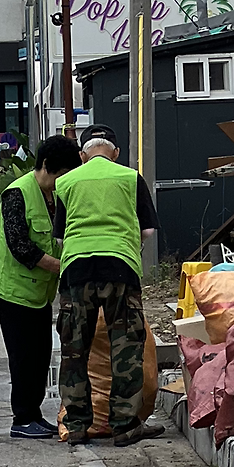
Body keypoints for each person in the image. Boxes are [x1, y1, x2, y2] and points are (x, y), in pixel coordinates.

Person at [53, 125, 161, 448]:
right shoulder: (130, 178)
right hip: (120, 269)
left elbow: (59, 238)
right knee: (125, 348)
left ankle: (76, 426)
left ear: (82, 155)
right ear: (115, 153)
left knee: (75, 350)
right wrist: (128, 245)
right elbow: (148, 230)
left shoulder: (66, 182)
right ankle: (124, 426)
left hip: (76, 271)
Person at [0, 135, 82, 440]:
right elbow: (21, 247)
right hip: (12, 290)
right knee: (23, 356)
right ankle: (22, 418)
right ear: (46, 165)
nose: (63, 181)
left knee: (40, 355)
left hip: (39, 293)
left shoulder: (55, 195)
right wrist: (63, 266)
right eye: (61, 174)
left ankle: (34, 415)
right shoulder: (18, 193)